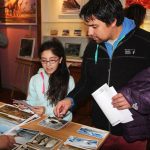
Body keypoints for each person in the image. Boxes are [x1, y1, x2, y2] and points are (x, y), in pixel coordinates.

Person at [54, 0, 150, 149]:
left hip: (133, 133)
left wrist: (135, 99)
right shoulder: (93, 46)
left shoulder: (145, 42)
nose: (89, 32)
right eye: (88, 26)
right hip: (99, 130)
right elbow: (86, 82)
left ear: (113, 21)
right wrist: (70, 99)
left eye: (94, 26)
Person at [20, 38, 75, 121]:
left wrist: (46, 111)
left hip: (60, 121)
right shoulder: (35, 79)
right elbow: (32, 100)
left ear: (60, 60)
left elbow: (67, 108)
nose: (48, 65)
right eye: (44, 60)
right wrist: (26, 105)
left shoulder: (69, 80)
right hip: (39, 119)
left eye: (52, 60)